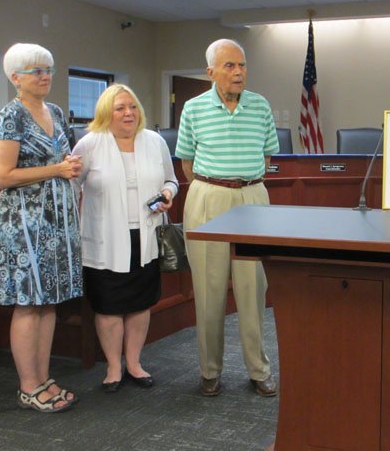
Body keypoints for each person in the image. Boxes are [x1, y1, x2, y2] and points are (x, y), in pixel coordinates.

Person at [175, 38, 279, 397]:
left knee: (253, 289)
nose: (238, 72)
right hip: (208, 197)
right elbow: (187, 163)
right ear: (211, 72)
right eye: (230, 66)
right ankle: (210, 371)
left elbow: (267, 158)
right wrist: (216, 187)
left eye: (242, 65)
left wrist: (242, 184)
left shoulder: (261, 106)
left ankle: (258, 369)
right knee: (209, 288)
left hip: (252, 195)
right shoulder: (193, 108)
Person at [0, 43, 83, 413]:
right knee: (29, 304)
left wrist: (70, 167)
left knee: (48, 304)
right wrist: (56, 170)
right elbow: (3, 176)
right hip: (25, 223)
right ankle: (28, 386)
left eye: (48, 69)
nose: (45, 76)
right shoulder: (10, 115)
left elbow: (64, 157)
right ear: (16, 78)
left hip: (58, 221)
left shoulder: (56, 111)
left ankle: (43, 378)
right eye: (36, 71)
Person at [71, 84, 178, 392]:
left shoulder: (154, 142)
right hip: (104, 237)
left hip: (144, 236)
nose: (128, 113)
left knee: (140, 304)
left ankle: (134, 363)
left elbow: (171, 179)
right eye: (120, 108)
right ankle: (113, 368)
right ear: (107, 112)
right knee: (108, 306)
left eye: (132, 107)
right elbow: (72, 185)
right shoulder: (90, 144)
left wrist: (168, 193)